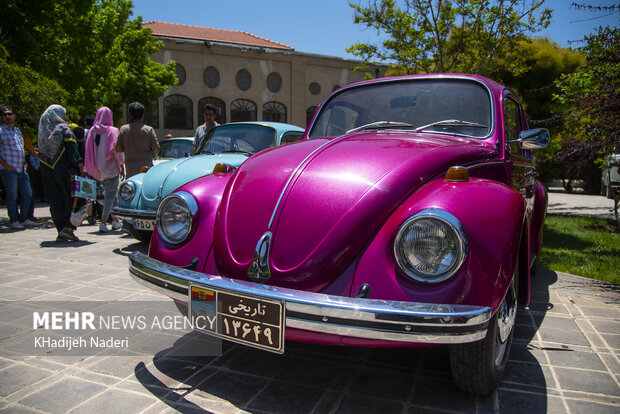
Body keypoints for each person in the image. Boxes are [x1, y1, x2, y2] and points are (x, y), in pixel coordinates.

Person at [38, 104, 84, 242]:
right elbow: (72, 150)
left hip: (47, 171)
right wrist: (80, 164)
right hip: (64, 170)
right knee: (74, 198)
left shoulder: (43, 132)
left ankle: (60, 230)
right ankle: (68, 229)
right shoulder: (64, 128)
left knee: (55, 199)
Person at [85, 107, 125, 233]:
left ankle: (116, 220)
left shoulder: (92, 131)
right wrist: (121, 165)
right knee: (110, 195)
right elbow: (117, 151)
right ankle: (103, 222)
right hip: (111, 168)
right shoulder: (113, 131)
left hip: (99, 169)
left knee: (111, 195)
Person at [0, 105, 37, 229]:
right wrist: (5, 165)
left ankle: (24, 218)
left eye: (10, 114)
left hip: (21, 168)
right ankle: (14, 220)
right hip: (9, 169)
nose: (8, 117)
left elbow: (20, 149)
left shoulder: (17, 131)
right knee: (12, 196)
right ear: (2, 117)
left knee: (28, 193)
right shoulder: (1, 130)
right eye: (5, 115)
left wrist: (24, 163)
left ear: (14, 116)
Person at [115, 102, 159, 177]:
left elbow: (118, 148)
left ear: (130, 115)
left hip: (130, 167)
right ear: (143, 115)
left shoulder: (124, 129)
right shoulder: (148, 130)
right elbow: (156, 150)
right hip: (146, 166)